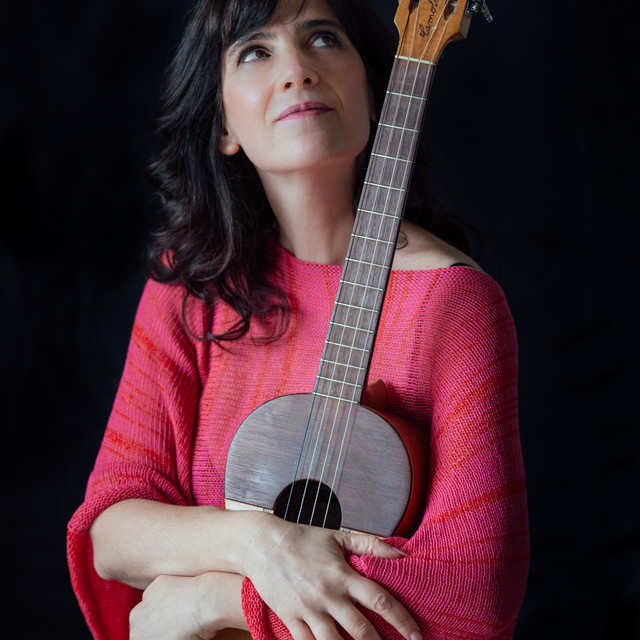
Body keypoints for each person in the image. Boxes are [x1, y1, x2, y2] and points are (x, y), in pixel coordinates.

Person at [67, 0, 529, 638]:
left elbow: (472, 594)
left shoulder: (455, 304)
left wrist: (214, 601)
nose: (297, 70)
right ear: (224, 126)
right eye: (255, 51)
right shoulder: (194, 285)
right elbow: (112, 529)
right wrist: (260, 544)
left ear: (376, 94)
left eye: (323, 38)